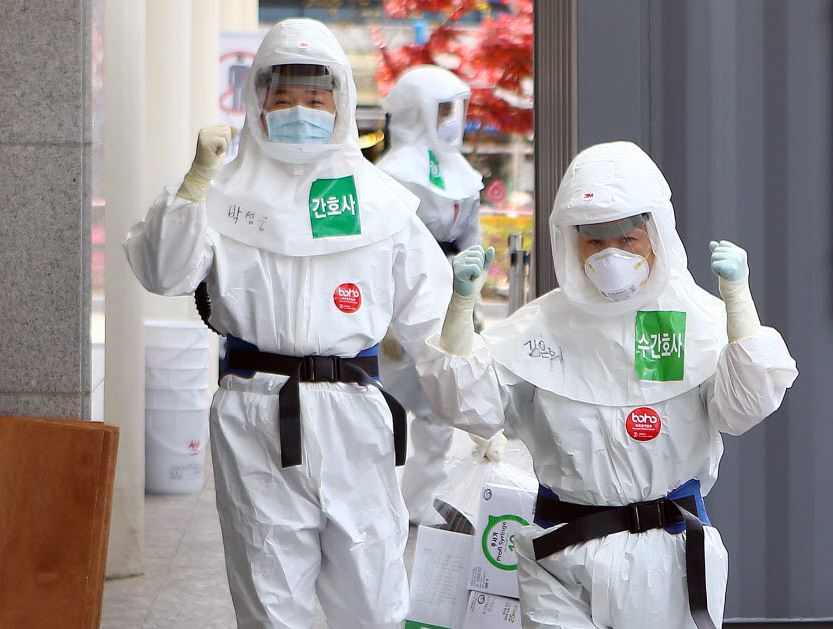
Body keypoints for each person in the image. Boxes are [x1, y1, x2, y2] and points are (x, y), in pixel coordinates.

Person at [124, 18, 459, 629]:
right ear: (257, 101)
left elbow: (428, 322)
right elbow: (164, 272)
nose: (299, 110)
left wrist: (473, 384)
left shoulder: (377, 200)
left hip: (353, 409)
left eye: (315, 97)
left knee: (374, 591)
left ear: (341, 105)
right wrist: (195, 183)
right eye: (283, 97)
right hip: (256, 410)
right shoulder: (222, 191)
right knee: (270, 594)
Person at [416, 141, 798, 629]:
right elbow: (473, 409)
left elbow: (742, 410)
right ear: (570, 241)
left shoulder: (695, 320)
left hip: (666, 554)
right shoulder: (540, 328)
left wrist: (739, 306)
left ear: (656, 234)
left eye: (627, 239)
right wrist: (459, 316)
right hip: (559, 547)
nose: (610, 255)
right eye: (595, 241)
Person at [375, 65, 486, 524]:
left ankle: (418, 500)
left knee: (440, 407)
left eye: (455, 109)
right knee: (388, 409)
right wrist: (384, 319)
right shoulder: (391, 176)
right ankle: (394, 502)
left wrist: (470, 301)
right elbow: (379, 251)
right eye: (442, 109)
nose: (452, 120)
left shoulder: (462, 172)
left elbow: (472, 239)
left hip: (446, 297)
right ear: (417, 113)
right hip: (402, 297)